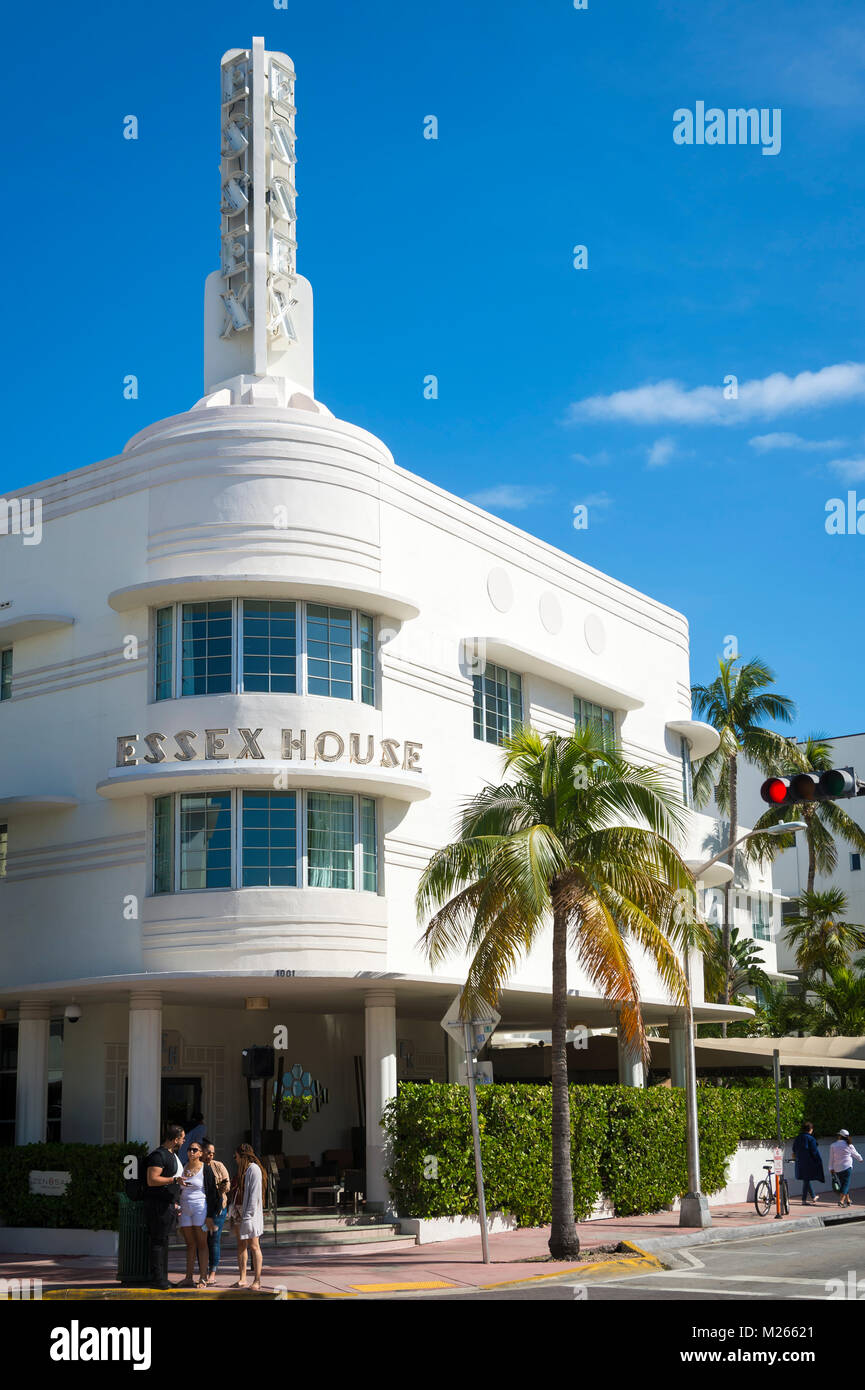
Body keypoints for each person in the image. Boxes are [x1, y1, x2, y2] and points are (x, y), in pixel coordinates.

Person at [143, 1124, 185, 1290]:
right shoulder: (158, 1155)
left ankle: (162, 1277)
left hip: (168, 1205)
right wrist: (174, 1180)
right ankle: (157, 1278)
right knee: (158, 1241)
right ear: (175, 1139)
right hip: (157, 1206)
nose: (184, 1140)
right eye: (182, 1138)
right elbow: (152, 1179)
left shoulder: (172, 1155)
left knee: (164, 1240)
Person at [177, 1139, 220, 1288]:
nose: (191, 1152)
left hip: (200, 1208)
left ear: (201, 1153)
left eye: (195, 1150)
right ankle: (188, 1277)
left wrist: (210, 1215)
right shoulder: (183, 1167)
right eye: (189, 1149)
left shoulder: (205, 1169)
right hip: (185, 1208)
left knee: (202, 1243)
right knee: (190, 1244)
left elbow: (213, 1192)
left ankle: (202, 1278)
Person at [232, 1143, 267, 1290]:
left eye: (235, 1156)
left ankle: (257, 1280)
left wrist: (248, 1216)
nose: (235, 1159)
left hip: (249, 1214)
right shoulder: (244, 1170)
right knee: (241, 1245)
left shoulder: (254, 1169)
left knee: (254, 1246)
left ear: (241, 1155)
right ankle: (242, 1278)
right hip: (240, 1211)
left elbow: (254, 1195)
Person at [201, 1138, 230, 1285]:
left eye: (213, 1153)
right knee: (202, 1241)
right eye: (208, 1152)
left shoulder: (218, 1166)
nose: (211, 1155)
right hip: (200, 1209)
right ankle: (202, 1272)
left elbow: (228, 1184)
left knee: (213, 1240)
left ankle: (212, 1272)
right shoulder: (195, 1166)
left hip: (218, 1208)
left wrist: (223, 1187)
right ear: (202, 1152)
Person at [792, 1121, 825, 1205]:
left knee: (806, 1179)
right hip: (808, 1162)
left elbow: (794, 1149)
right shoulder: (811, 1139)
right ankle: (803, 1200)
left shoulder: (798, 1138)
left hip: (799, 1161)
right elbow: (814, 1152)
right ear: (810, 1129)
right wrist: (818, 1161)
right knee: (806, 1179)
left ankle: (813, 1196)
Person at [828, 1128, 863, 1207]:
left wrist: (830, 1168)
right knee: (845, 1184)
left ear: (840, 1136)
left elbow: (831, 1158)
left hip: (837, 1168)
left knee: (844, 1184)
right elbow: (855, 1154)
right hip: (847, 1167)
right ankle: (841, 1201)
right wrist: (860, 1159)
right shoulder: (849, 1145)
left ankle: (848, 1200)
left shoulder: (833, 1145)